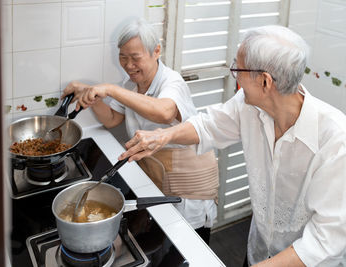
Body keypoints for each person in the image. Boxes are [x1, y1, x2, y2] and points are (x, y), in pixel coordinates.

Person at [118, 25, 346, 266]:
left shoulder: (335, 140)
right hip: (259, 249)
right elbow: (208, 125)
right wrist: (162, 137)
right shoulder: (248, 106)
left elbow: (326, 239)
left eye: (237, 69)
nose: (233, 75)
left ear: (265, 82)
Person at [61, 19, 219, 243]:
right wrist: (92, 95)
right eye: (123, 57)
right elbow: (113, 119)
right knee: (165, 240)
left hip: (186, 184)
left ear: (156, 51)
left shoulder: (172, 81)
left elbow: (164, 112)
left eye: (135, 58)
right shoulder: (131, 84)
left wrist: (111, 89)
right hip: (156, 177)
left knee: (190, 244)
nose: (128, 64)